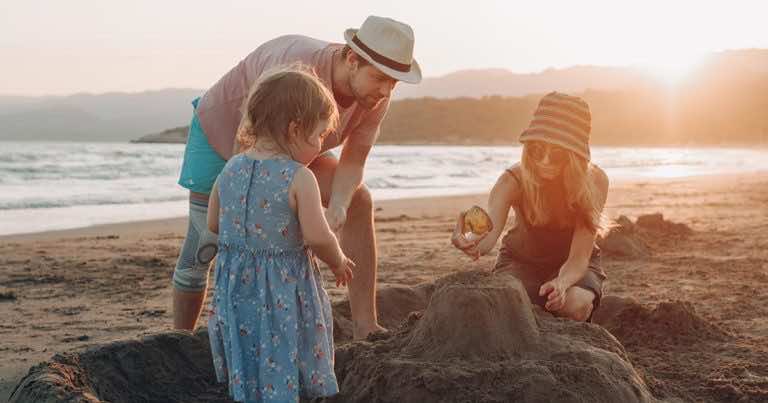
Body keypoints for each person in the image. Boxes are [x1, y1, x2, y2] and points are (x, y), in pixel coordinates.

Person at [172, 15, 422, 339]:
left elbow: (354, 160)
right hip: (225, 133)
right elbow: (248, 139)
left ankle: (366, 326)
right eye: (380, 78)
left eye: (394, 83)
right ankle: (180, 338)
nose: (386, 91)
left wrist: (339, 206)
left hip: (297, 148)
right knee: (203, 246)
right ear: (351, 59)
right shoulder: (295, 66)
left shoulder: (375, 97)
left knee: (358, 199)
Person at [206, 67, 355, 402]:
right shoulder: (299, 177)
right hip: (282, 289)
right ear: (294, 129)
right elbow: (318, 236)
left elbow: (214, 222)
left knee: (250, 349)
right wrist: (338, 260)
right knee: (285, 343)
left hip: (236, 287)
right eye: (319, 135)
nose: (321, 145)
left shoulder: (230, 168)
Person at [451, 92, 609, 322]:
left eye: (558, 154)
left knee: (575, 305)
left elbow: (579, 257)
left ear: (576, 156)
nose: (545, 161)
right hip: (520, 261)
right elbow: (487, 238)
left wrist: (561, 283)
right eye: (537, 149)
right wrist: (469, 242)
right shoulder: (512, 180)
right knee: (513, 304)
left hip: (573, 264)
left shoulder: (595, 182)